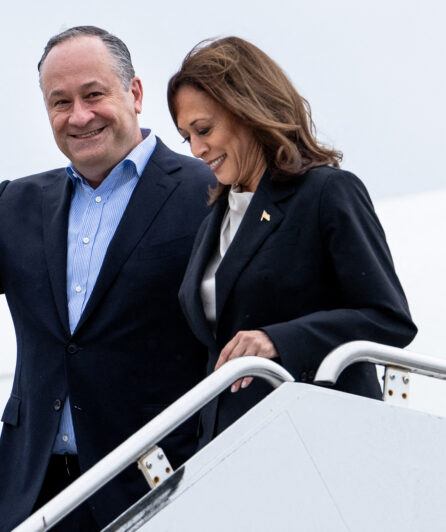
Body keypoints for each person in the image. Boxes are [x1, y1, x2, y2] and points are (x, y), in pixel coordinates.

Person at [0, 26, 214, 531]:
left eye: (94, 95)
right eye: (60, 102)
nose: (79, 116)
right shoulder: (18, 205)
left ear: (134, 94)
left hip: (157, 495)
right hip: (30, 501)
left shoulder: (207, 191)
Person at [167, 37, 418, 447]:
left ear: (248, 110)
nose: (197, 149)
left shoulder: (327, 192)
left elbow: (388, 320)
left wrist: (277, 340)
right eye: (186, 137)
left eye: (204, 130)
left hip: (319, 441)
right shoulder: (214, 222)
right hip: (229, 448)